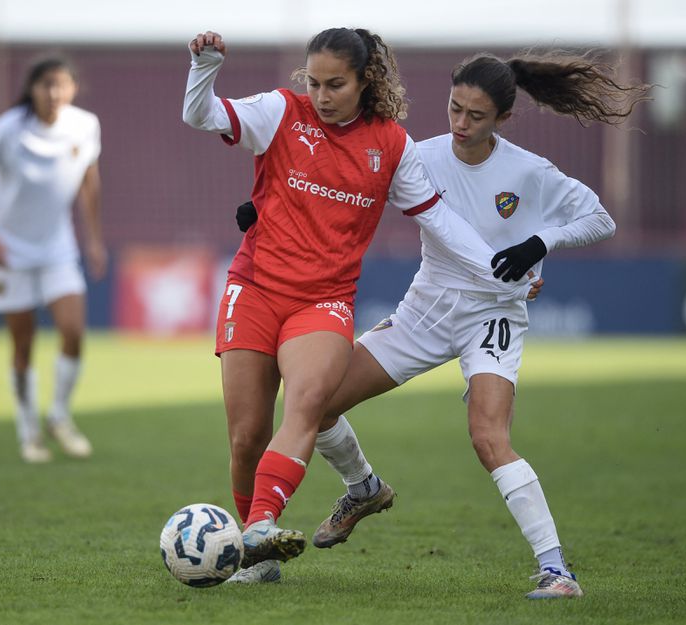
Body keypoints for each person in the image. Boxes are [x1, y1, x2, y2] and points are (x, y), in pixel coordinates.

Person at [236, 51, 650, 596]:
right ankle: (364, 488)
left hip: (494, 315)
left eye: (475, 116)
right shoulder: (420, 155)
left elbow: (600, 217)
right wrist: (263, 210)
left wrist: (539, 242)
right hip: (425, 311)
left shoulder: (529, 171)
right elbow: (344, 186)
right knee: (314, 403)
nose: (460, 124)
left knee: (488, 437)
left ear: (502, 119)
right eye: (454, 109)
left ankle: (556, 570)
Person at [182, 29, 537, 581]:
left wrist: (503, 269)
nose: (322, 95)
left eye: (336, 84)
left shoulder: (392, 145)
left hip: (322, 301)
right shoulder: (280, 110)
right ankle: (257, 550)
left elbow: (440, 221)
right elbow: (200, 116)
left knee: (306, 403)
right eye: (315, 82)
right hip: (253, 287)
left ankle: (258, 530)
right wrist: (204, 66)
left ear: (365, 81)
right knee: (247, 435)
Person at [0, 56, 106, 464]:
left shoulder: (85, 125)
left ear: (73, 89)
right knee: (23, 344)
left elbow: (89, 180)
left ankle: (59, 415)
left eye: (62, 85)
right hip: (9, 251)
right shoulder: (6, 130)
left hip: (57, 247)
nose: (54, 93)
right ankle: (30, 434)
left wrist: (93, 239)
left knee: (73, 331)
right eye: (46, 85)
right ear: (32, 89)